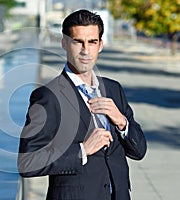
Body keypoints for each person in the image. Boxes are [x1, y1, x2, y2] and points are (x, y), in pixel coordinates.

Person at [18, 9, 147, 200]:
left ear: (100, 45)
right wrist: (82, 150)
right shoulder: (48, 97)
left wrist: (122, 122)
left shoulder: (113, 89)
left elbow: (139, 151)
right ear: (64, 43)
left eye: (92, 42)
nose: (86, 50)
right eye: (78, 42)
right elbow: (27, 163)